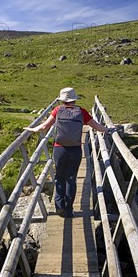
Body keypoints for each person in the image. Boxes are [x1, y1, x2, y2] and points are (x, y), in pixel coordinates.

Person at [24, 87, 113, 218]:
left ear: (62, 100)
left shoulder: (57, 110)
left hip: (59, 148)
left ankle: (59, 207)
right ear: (74, 100)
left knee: (60, 177)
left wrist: (32, 129)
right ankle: (69, 210)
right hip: (75, 149)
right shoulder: (81, 112)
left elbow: (44, 127)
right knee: (71, 179)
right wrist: (108, 130)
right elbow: (96, 126)